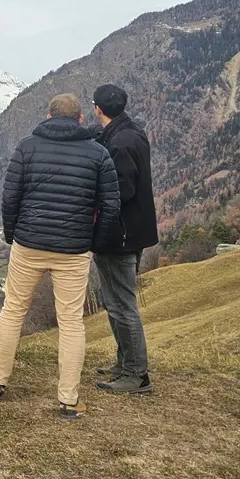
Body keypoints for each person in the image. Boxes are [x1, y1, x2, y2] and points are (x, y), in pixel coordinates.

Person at [0, 94, 120, 419]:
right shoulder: (98, 153)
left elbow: (9, 197)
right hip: (73, 249)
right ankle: (69, 400)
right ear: (81, 120)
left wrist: (13, 235)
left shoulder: (27, 147)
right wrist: (92, 242)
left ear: (47, 116)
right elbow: (111, 206)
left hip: (29, 243)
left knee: (13, 309)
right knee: (71, 321)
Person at [90, 83, 159, 395]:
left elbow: (120, 192)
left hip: (120, 234)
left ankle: (136, 373)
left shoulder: (118, 144)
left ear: (98, 109)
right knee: (116, 301)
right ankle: (125, 362)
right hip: (134, 230)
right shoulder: (130, 131)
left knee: (121, 304)